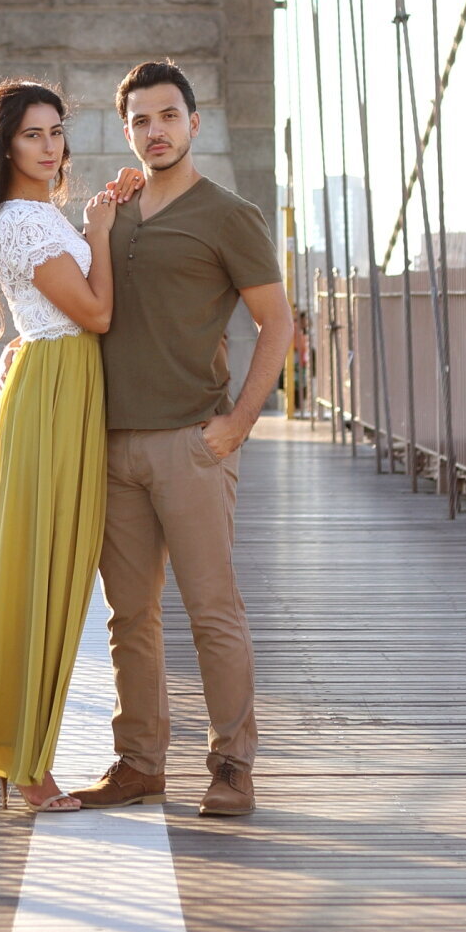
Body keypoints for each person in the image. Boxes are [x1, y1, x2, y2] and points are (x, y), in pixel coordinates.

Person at [68, 59, 294, 817]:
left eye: (169, 116)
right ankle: (139, 763)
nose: (155, 131)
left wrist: (237, 423)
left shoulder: (230, 215)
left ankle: (232, 765)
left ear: (194, 124)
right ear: (127, 130)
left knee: (211, 610)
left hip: (191, 444)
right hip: (111, 443)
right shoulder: (111, 213)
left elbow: (278, 322)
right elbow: (83, 312)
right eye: (140, 120)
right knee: (128, 615)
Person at [0, 79, 134, 813]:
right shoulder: (25, 221)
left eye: (56, 134)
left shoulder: (32, 217)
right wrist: (101, 231)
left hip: (58, 384)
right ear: (4, 146)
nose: (51, 148)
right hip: (55, 395)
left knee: (49, 569)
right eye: (33, 135)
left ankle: (19, 750)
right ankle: (24, 760)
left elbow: (55, 311)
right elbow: (98, 314)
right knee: (41, 573)